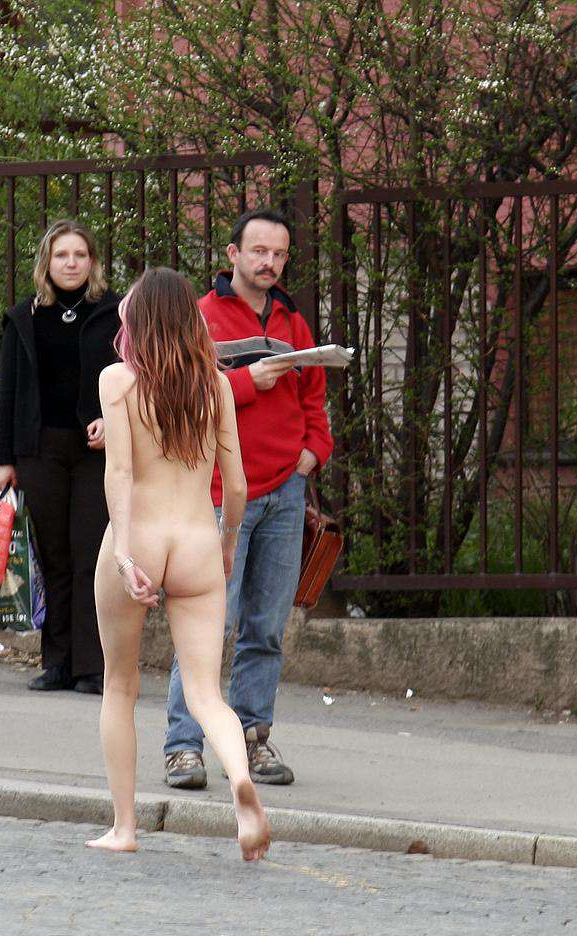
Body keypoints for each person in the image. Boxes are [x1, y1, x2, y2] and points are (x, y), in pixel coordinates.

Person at [88, 266, 269, 860]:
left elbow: (119, 472)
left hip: (139, 537)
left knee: (120, 684)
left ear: (139, 318)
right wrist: (229, 541)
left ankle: (124, 828)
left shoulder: (118, 381)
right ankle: (239, 780)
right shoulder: (215, 385)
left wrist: (121, 553)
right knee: (206, 694)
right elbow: (236, 485)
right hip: (196, 542)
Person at [163, 208, 334, 789]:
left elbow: (314, 396)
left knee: (266, 627)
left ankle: (254, 739)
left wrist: (314, 451)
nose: (270, 262)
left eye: (280, 254)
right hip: (220, 494)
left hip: (286, 489)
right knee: (207, 626)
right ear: (232, 254)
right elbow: (179, 397)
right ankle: (183, 747)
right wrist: (243, 383)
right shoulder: (201, 317)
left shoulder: (293, 320)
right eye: (259, 251)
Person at [0, 219, 121, 696]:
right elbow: (9, 392)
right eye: (62, 255)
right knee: (52, 557)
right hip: (40, 450)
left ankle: (93, 667)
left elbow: (135, 378)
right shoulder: (24, 317)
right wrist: (4, 459)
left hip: (96, 453)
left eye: (80, 255)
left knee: (92, 555)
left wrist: (112, 420)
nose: (71, 264)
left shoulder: (115, 315)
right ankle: (58, 662)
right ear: (46, 263)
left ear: (93, 263)